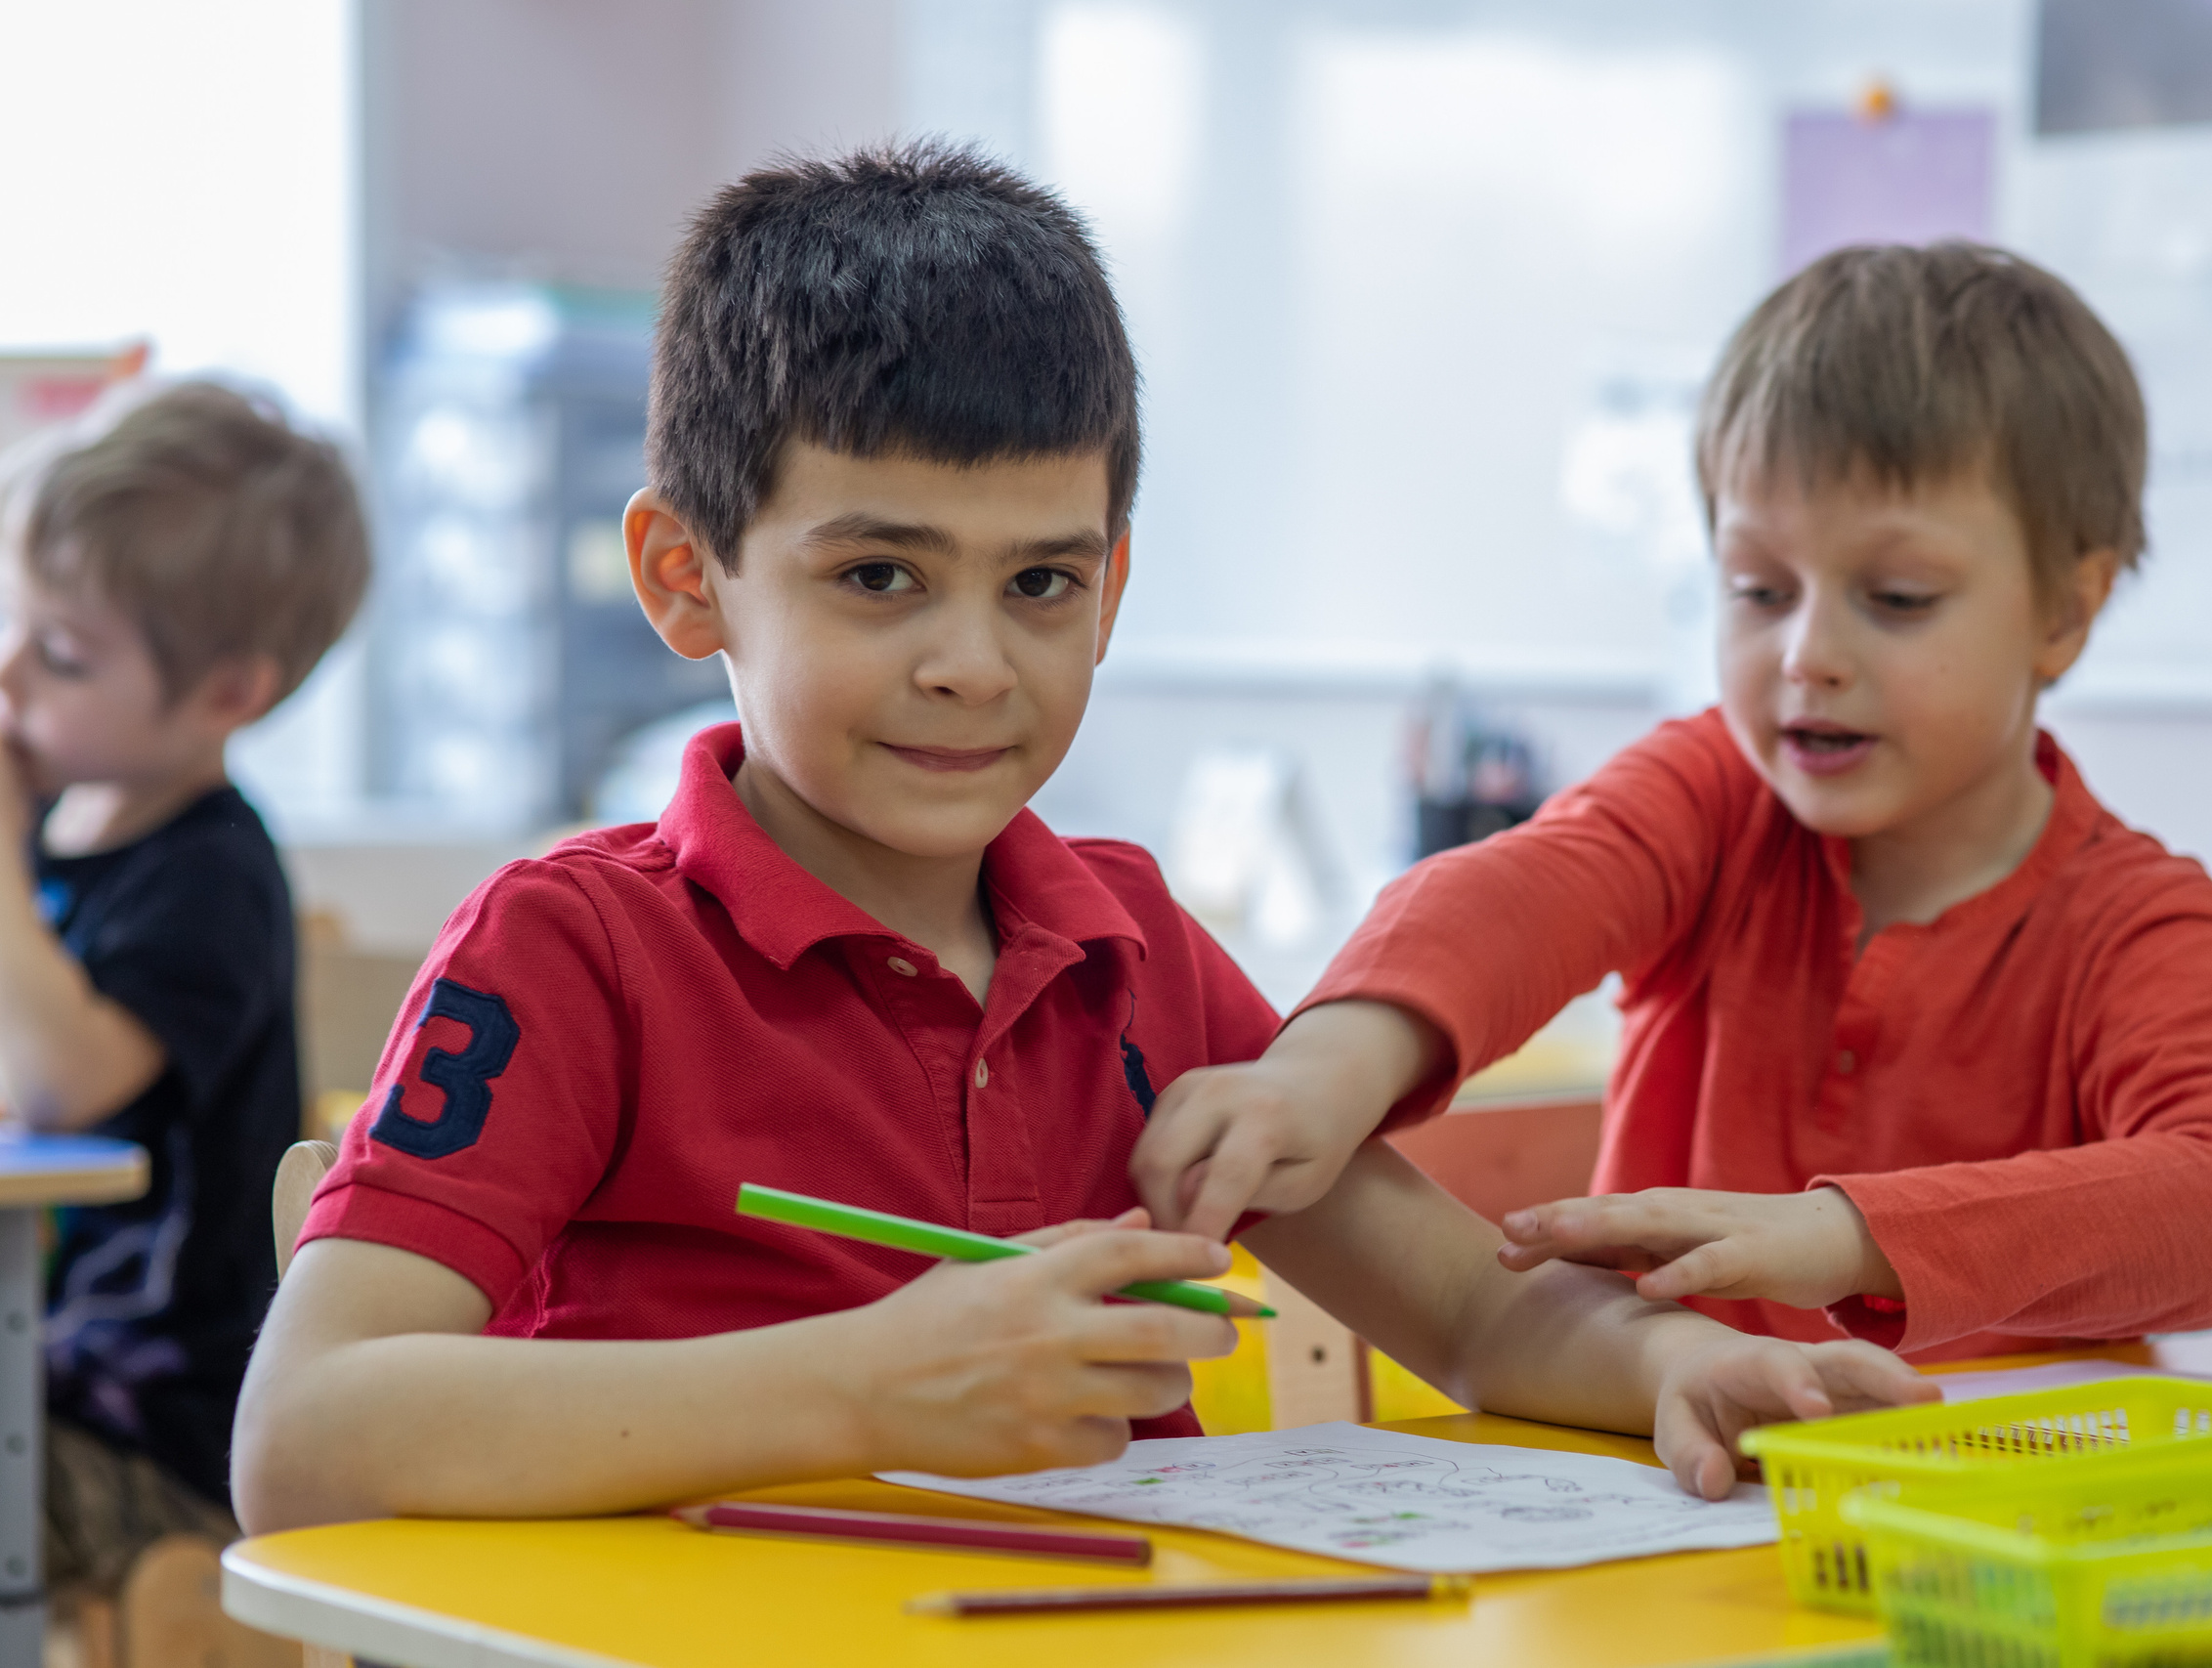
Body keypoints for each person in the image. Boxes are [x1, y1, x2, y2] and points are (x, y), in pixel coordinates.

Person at [232, 146, 1935, 1534]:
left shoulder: (1127, 945)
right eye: (878, 574)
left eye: (1039, 581)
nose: (972, 659)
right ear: (688, 576)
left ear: (1111, 589)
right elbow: (306, 1435)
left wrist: (1662, 1363)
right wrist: (865, 1384)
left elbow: (1477, 1310)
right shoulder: (570, 950)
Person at [1130, 242, 2212, 1363]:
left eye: (1897, 597)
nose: (1807, 653)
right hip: (1670, 1493)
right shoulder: (1715, 799)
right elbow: (1521, 893)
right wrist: (1327, 1067)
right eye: (1757, 587)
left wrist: (1846, 1240)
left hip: (1978, 1527)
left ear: (2066, 612)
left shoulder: (2138, 923)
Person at [0, 383, 368, 1596]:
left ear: (228, 693)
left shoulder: (212, 873)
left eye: (61, 655)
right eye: (17, 623)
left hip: (160, 1432)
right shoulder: (55, 823)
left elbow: (63, 1085)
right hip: (48, 1375)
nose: (10, 673)